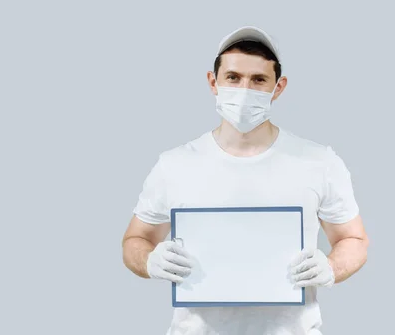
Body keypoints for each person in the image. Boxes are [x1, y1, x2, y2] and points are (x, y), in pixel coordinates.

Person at [121, 26, 369, 335]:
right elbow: (135, 239)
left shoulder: (319, 162)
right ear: (214, 82)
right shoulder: (174, 165)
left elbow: (354, 239)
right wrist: (148, 261)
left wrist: (332, 267)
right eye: (233, 77)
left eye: (259, 80)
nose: (244, 90)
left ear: (278, 88)